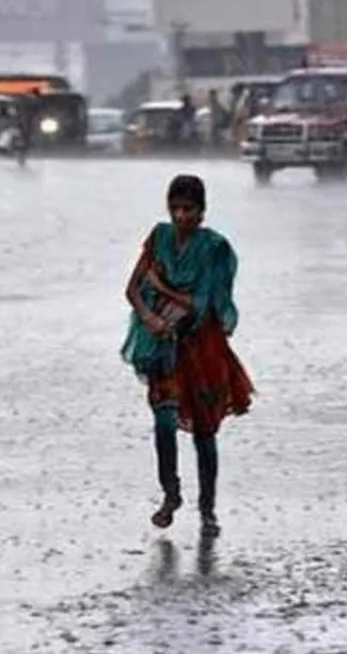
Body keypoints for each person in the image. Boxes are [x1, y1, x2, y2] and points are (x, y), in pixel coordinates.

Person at [121, 174, 253, 538]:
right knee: (163, 423)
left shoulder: (214, 249)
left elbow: (203, 303)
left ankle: (208, 509)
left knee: (204, 434)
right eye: (175, 208)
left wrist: (161, 288)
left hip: (201, 348)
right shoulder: (158, 238)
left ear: (202, 212)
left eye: (189, 210)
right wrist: (150, 318)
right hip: (162, 346)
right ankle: (171, 494)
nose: (181, 216)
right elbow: (132, 288)